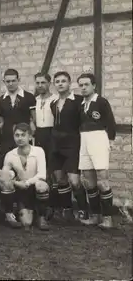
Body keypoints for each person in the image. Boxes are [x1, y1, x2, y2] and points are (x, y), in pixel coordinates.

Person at [77, 73, 116, 229]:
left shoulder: (101, 102)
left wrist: (110, 142)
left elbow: (111, 123)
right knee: (88, 181)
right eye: (80, 85)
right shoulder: (81, 104)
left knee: (102, 181)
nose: (83, 88)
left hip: (99, 138)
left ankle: (108, 218)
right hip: (84, 139)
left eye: (86, 84)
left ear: (94, 86)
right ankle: (95, 216)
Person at [49, 71, 88, 222]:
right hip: (56, 144)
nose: (60, 84)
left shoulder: (78, 101)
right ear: (54, 84)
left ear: (70, 83)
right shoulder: (53, 103)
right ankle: (67, 210)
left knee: (74, 180)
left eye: (63, 81)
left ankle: (84, 209)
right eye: (57, 81)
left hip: (72, 144)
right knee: (60, 179)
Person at [1, 123, 50, 230]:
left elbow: (42, 175)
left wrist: (27, 183)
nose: (20, 138)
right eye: (17, 135)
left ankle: (42, 216)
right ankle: (11, 215)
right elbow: (5, 176)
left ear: (30, 136)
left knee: (41, 185)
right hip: (21, 190)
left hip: (34, 187)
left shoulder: (39, 151)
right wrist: (15, 182)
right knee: (26, 223)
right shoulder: (10, 155)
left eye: (23, 135)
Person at [0, 69, 37, 156]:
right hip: (7, 138)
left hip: (23, 136)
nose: (10, 84)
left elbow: (34, 118)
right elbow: (1, 120)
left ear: (19, 80)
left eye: (13, 81)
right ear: (4, 82)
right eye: (8, 81)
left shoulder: (29, 97)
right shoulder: (1, 100)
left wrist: (31, 126)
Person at [33, 73, 57, 160]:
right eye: (37, 83)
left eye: (43, 82)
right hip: (39, 134)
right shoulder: (34, 100)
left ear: (49, 83)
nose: (40, 85)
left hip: (53, 133)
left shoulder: (56, 99)